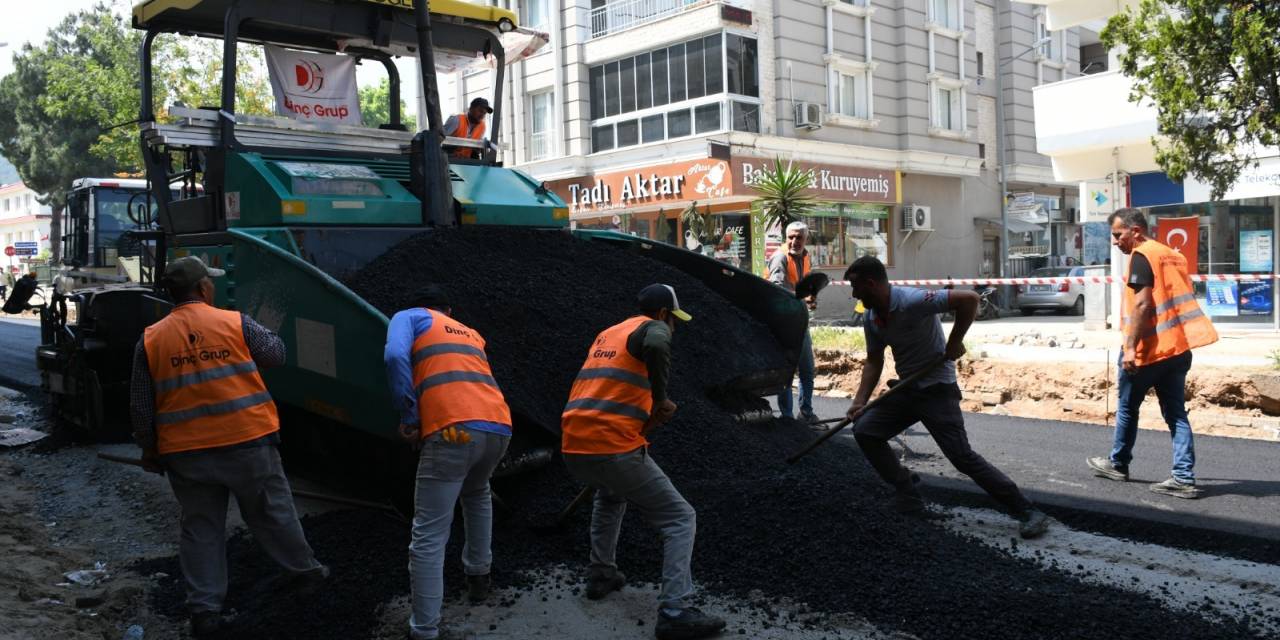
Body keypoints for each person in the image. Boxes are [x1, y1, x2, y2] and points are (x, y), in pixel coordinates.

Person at [129, 256, 327, 637]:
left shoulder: (151, 339)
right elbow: (277, 355)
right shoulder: (234, 322)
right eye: (210, 282)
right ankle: (306, 573)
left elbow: (140, 404)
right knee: (272, 511)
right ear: (204, 288)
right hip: (248, 442)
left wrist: (149, 450)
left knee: (201, 528)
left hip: (187, 455)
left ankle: (205, 612)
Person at [560, 284, 726, 640]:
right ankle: (675, 610)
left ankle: (602, 572)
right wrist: (662, 398)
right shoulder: (653, 328)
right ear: (664, 314)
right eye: (674, 321)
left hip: (574, 443)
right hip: (612, 444)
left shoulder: (609, 333)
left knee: (610, 496)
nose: (673, 328)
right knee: (681, 518)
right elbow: (657, 343)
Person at [843, 256, 1049, 539]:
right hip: (906, 389)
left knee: (961, 457)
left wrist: (954, 341)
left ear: (871, 283)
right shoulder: (872, 317)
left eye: (856, 287)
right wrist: (859, 402)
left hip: (937, 389)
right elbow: (874, 360)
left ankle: (1027, 510)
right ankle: (908, 492)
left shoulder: (912, 301)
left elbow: (969, 299)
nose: (854, 294)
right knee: (865, 430)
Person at [383, 284, 514, 640]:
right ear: (449, 311)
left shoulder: (407, 317)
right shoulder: (471, 333)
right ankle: (479, 577)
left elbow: (395, 357)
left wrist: (410, 418)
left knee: (428, 531)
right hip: (499, 427)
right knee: (476, 493)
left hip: (454, 432)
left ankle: (423, 628)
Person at [1087, 208, 1218, 498]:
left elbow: (1144, 305)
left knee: (1127, 408)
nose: (1115, 242)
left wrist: (1131, 348)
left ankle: (1118, 464)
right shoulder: (1172, 254)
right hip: (1177, 348)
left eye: (1118, 235)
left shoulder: (1142, 255)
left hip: (1149, 352)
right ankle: (1183, 478)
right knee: (1176, 414)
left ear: (1135, 231)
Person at [767, 220, 817, 423]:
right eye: (791, 237)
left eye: (799, 237)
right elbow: (775, 289)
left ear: (806, 239)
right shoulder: (780, 258)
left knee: (807, 368)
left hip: (799, 318)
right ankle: (787, 416)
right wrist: (801, 298)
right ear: (785, 237)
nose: (794, 241)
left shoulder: (805, 257)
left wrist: (811, 299)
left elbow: (802, 286)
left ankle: (805, 411)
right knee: (787, 369)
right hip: (783, 322)